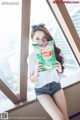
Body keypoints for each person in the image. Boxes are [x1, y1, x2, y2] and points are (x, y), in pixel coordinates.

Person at [27, 24, 69, 120]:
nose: (41, 42)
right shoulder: (32, 58)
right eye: (37, 38)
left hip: (56, 86)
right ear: (32, 40)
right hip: (41, 90)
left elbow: (60, 73)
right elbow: (32, 80)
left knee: (65, 118)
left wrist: (60, 69)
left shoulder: (57, 52)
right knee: (59, 118)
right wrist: (36, 71)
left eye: (44, 38)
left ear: (49, 39)